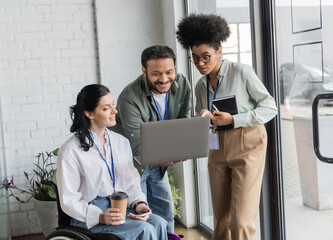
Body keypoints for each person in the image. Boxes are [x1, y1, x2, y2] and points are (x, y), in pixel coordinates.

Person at [176, 14, 278, 240]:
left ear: (219, 51)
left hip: (247, 144)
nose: (200, 63)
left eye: (206, 57)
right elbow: (205, 117)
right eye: (195, 58)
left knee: (240, 221)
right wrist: (202, 116)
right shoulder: (200, 86)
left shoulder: (241, 72)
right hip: (217, 147)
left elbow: (270, 107)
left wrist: (234, 119)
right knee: (220, 220)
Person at [57, 84, 168, 240]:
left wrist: (139, 204)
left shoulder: (121, 142)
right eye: (106, 108)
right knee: (146, 230)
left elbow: (130, 183)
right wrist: (100, 217)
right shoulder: (70, 151)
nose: (115, 111)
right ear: (89, 113)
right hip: (90, 216)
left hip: (120, 208)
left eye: (113, 105)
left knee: (159, 223)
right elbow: (69, 200)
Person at [111, 45, 192, 233]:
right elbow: (138, 145)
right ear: (144, 71)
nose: (164, 79)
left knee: (165, 213)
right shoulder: (129, 98)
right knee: (142, 217)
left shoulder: (182, 84)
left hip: (159, 162)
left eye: (169, 72)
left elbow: (184, 122)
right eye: (156, 74)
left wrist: (183, 148)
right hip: (132, 164)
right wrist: (169, 155)